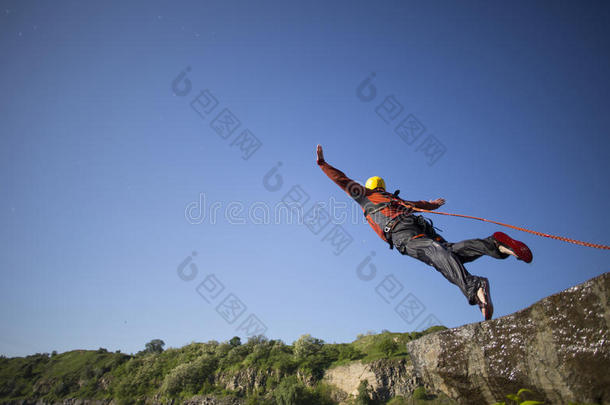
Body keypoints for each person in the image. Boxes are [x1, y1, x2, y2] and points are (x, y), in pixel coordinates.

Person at [315, 145, 532, 320]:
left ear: (370, 187)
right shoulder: (396, 199)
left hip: (402, 233)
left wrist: (323, 164)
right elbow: (420, 204)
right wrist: (432, 204)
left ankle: (475, 287)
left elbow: (342, 180)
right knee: (449, 252)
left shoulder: (366, 195)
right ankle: (495, 244)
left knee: (434, 252)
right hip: (419, 226)